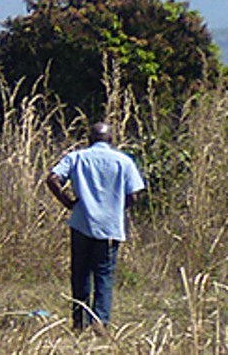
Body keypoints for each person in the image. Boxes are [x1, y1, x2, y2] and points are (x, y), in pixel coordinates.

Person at [43, 122, 144, 330]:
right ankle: (100, 323)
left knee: (80, 274)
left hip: (82, 223)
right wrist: (117, 208)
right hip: (109, 228)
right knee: (104, 275)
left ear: (89, 140)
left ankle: (80, 322)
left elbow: (52, 178)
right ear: (111, 140)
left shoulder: (77, 158)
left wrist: (68, 202)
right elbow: (134, 194)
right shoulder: (123, 161)